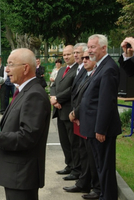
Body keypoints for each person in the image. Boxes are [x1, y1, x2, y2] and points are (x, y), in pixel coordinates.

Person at [0, 48, 51, 200]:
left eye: (11, 64)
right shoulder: (23, 91)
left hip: (22, 175)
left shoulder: (34, 94)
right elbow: (14, 127)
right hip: (16, 175)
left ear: (25, 68)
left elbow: (27, 137)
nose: (7, 69)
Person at [79, 34, 121, 200]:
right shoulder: (100, 66)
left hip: (102, 129)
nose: (89, 50)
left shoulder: (109, 68)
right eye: (89, 47)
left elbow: (106, 102)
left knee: (105, 166)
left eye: (93, 47)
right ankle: (104, 194)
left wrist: (101, 129)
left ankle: (108, 196)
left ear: (104, 48)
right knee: (100, 165)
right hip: (94, 126)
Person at [64, 50, 101, 199]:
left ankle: (95, 186)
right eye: (83, 57)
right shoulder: (86, 74)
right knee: (83, 152)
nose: (84, 60)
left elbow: (90, 99)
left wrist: (76, 112)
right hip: (80, 118)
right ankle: (84, 182)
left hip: (88, 120)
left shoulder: (96, 75)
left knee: (90, 155)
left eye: (87, 57)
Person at [50, 45, 80, 180]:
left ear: (74, 54)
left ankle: (76, 168)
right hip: (59, 110)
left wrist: (57, 98)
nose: (66, 57)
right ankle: (69, 164)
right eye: (65, 55)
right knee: (64, 141)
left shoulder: (77, 70)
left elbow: (72, 89)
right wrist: (53, 97)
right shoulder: (61, 69)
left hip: (68, 111)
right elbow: (54, 85)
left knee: (73, 141)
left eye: (69, 54)